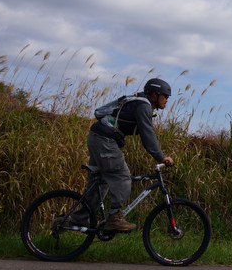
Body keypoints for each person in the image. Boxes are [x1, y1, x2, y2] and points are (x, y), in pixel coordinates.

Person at [71, 78, 174, 232]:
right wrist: (161, 156)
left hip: (98, 137)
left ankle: (79, 218)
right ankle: (114, 218)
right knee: (122, 176)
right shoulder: (143, 106)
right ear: (154, 94)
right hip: (104, 140)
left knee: (101, 183)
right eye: (165, 96)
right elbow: (148, 135)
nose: (167, 100)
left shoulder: (141, 103)